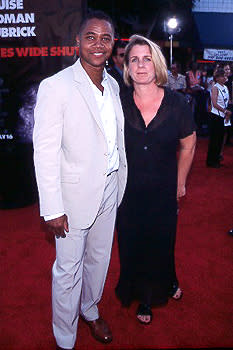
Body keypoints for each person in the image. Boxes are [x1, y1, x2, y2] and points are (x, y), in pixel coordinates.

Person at [33, 11, 127, 350]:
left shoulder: (113, 85)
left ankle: (90, 310)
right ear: (77, 42)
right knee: (68, 270)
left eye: (105, 38)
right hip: (71, 198)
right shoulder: (55, 87)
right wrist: (52, 207)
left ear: (112, 43)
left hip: (110, 188)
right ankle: (65, 337)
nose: (98, 43)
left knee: (100, 260)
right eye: (91, 37)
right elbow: (44, 153)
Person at [115, 34, 196, 324]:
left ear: (157, 63)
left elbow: (188, 143)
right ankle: (142, 290)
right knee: (131, 241)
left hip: (163, 187)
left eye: (146, 58)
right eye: (133, 59)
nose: (140, 65)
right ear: (127, 66)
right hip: (127, 190)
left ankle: (156, 291)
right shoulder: (118, 102)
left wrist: (181, 182)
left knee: (162, 240)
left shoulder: (177, 103)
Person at [206, 67, 231, 168]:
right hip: (216, 116)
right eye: (223, 76)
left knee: (220, 139)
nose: (225, 78)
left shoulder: (225, 88)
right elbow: (214, 103)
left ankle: (217, 159)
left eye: (225, 76)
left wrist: (227, 112)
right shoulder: (215, 87)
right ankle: (211, 161)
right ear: (217, 78)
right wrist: (225, 111)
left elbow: (226, 101)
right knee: (214, 139)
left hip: (223, 115)